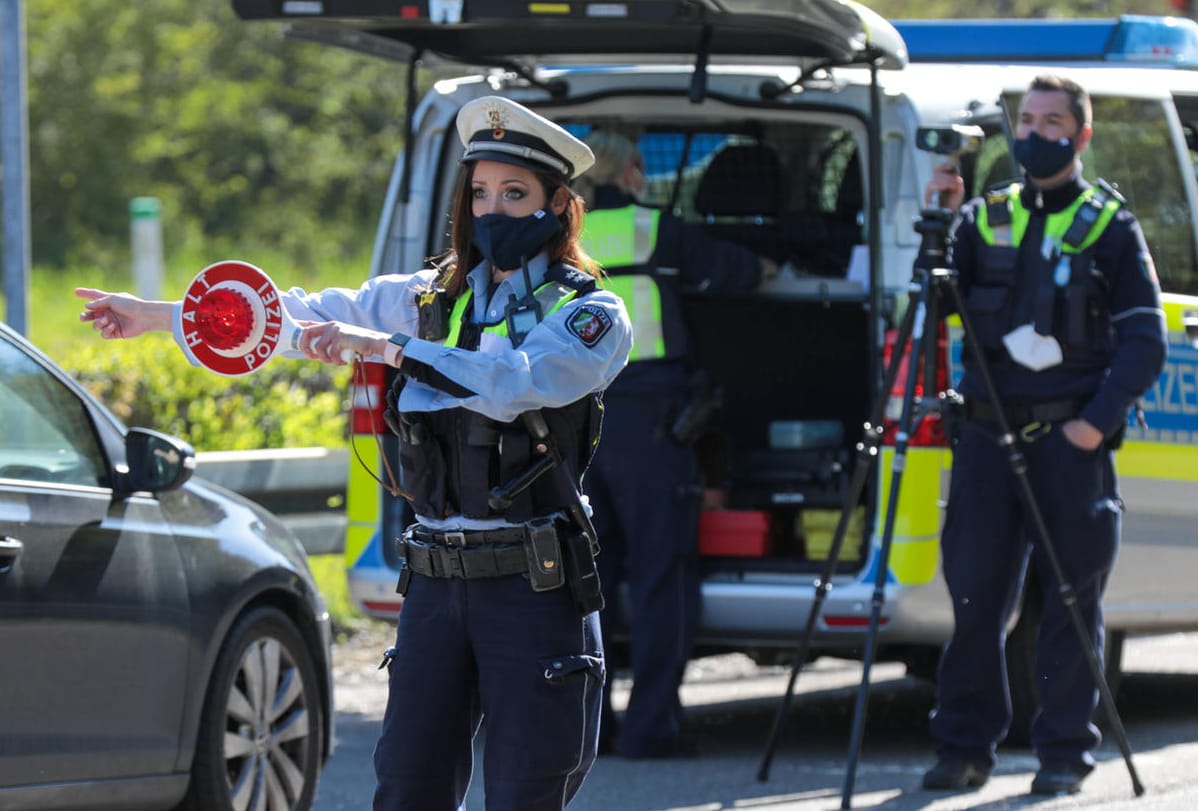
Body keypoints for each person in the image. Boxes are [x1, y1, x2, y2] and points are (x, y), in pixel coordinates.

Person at [77, 95, 633, 810]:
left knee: (527, 791)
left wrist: (388, 349)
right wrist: (158, 315)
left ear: (559, 205)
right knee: (405, 788)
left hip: (533, 584)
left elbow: (515, 384)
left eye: (515, 193)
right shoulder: (431, 296)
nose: (492, 209)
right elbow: (299, 315)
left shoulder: (588, 313)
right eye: (481, 192)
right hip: (434, 581)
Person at [919, 75, 1166, 796]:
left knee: (1069, 603)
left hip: (1070, 440)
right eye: (1026, 119)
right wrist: (938, 219)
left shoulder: (1110, 226)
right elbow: (934, 305)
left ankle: (1062, 753)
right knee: (973, 601)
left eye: (1053, 120)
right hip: (986, 439)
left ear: (1081, 135)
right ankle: (963, 747)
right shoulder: (984, 218)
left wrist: (1094, 426)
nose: (1036, 132)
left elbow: (1144, 344)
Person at [574, 130, 778, 759]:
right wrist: (775, 263)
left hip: (577, 426)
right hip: (650, 425)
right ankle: (652, 728)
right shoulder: (656, 227)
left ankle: (591, 729)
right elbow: (744, 271)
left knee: (590, 583)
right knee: (662, 576)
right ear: (633, 172)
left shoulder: (563, 235)